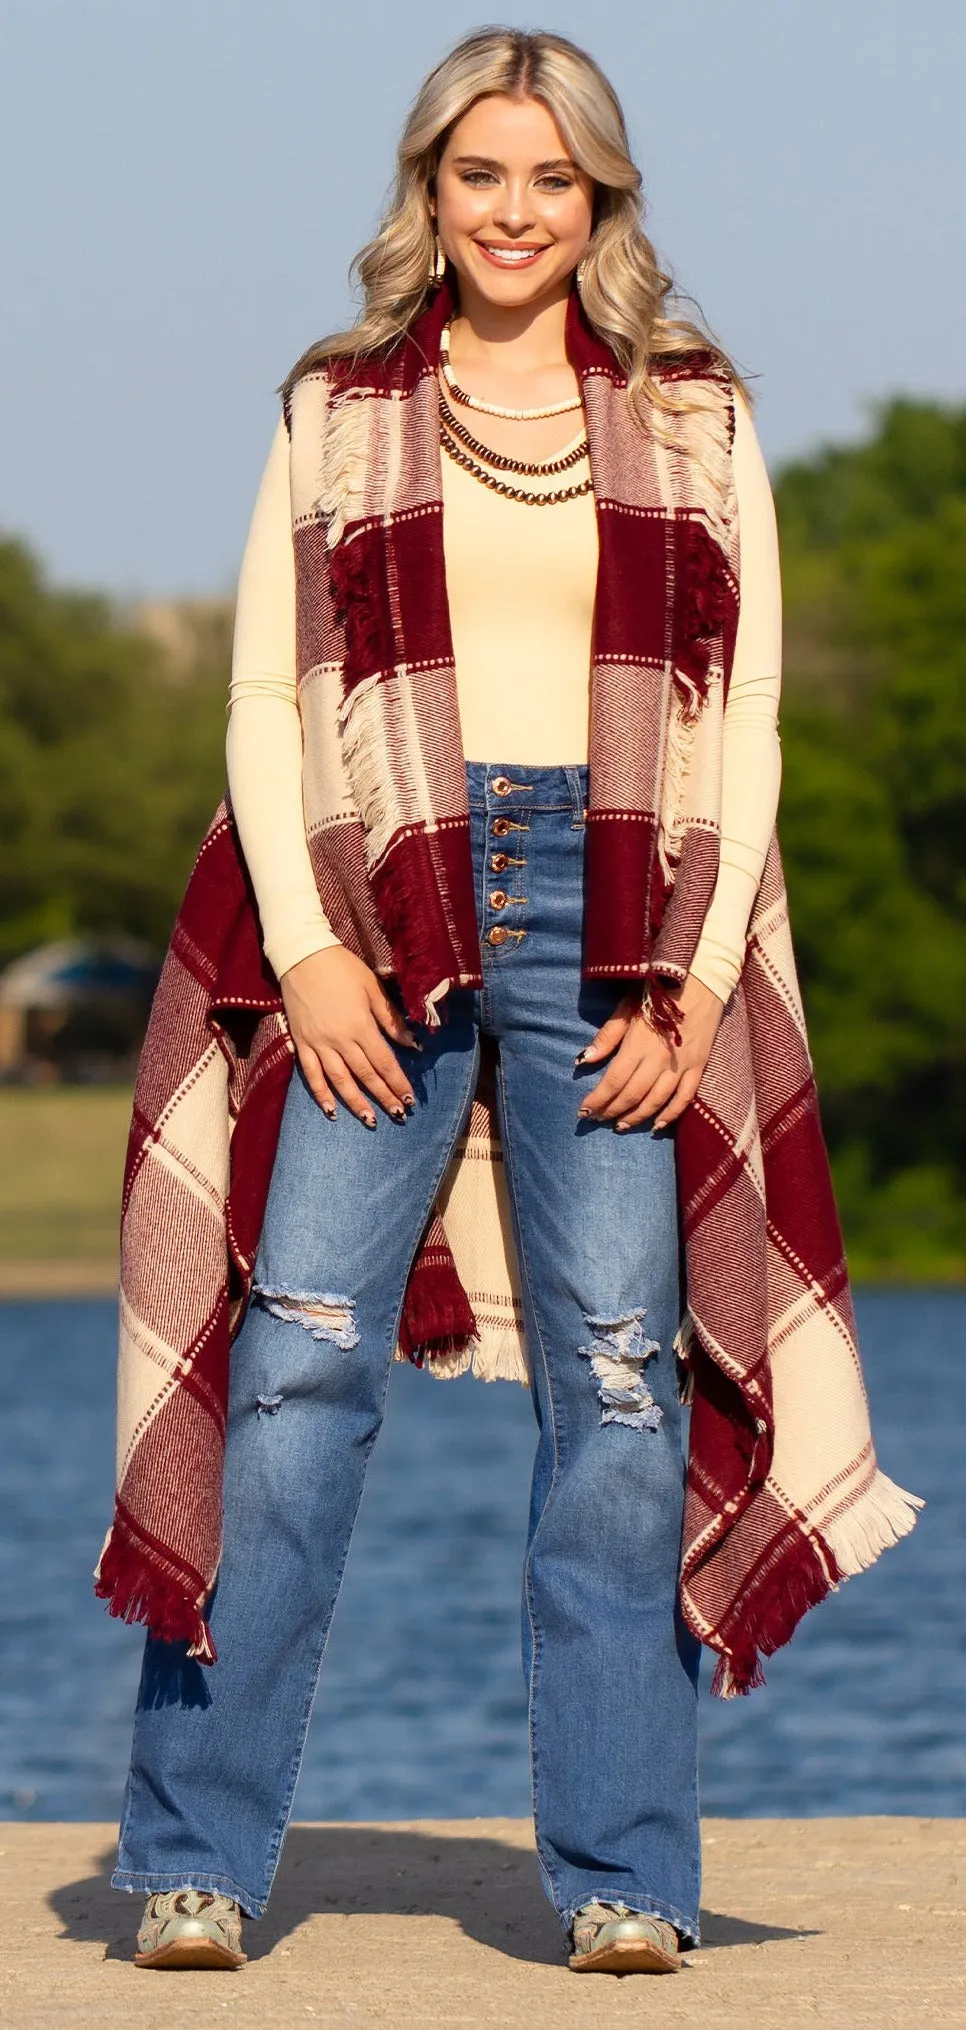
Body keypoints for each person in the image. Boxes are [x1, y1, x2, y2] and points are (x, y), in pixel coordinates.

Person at [104, 25, 918, 1979]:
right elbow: (261, 702)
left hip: (614, 928)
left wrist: (696, 988)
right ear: (430, 190)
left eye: (554, 180)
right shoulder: (335, 406)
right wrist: (304, 949)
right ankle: (195, 1859)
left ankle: (627, 1874)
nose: (517, 213)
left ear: (603, 199)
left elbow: (750, 734)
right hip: (381, 908)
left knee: (621, 1389)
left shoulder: (701, 415)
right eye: (483, 177)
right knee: (297, 1363)